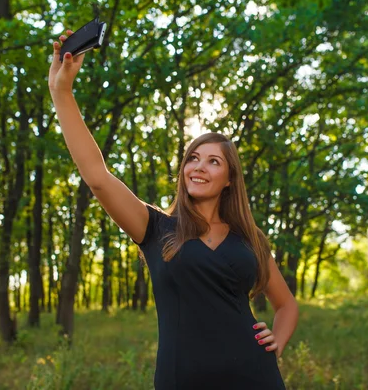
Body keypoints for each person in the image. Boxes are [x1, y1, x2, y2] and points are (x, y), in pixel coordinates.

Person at [48, 29, 299, 390]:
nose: (199, 167)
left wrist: (276, 343)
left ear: (229, 178)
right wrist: (62, 93)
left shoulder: (250, 238)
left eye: (213, 162)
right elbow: (97, 177)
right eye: (193, 158)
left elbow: (286, 304)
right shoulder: (155, 228)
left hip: (255, 377)